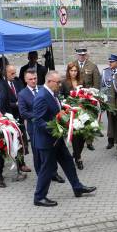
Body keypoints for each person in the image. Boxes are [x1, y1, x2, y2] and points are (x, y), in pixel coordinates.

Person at [32, 71, 96, 207]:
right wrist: (57, 128)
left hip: (57, 139)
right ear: (49, 82)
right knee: (47, 169)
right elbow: (38, 121)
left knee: (68, 162)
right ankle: (39, 197)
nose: (60, 85)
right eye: (58, 82)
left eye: (60, 82)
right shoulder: (41, 96)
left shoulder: (52, 93)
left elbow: (57, 111)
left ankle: (77, 187)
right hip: (47, 141)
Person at [18, 70, 65, 183]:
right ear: (25, 80)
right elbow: (23, 112)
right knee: (38, 153)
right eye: (30, 79)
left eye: (35, 78)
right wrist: (39, 115)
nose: (33, 81)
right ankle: (41, 176)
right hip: (35, 128)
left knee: (52, 150)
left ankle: (54, 173)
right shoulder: (22, 94)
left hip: (51, 126)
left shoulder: (44, 88)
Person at [71, 48, 100, 151]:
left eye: (83, 55)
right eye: (80, 55)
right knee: (78, 119)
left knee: (89, 119)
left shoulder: (92, 66)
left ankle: (89, 141)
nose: (81, 57)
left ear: (86, 55)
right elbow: (69, 79)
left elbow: (96, 84)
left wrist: (94, 97)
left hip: (88, 98)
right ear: (77, 55)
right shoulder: (72, 65)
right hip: (76, 97)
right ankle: (77, 139)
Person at [60, 62, 88, 170]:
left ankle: (76, 153)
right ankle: (78, 158)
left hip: (81, 112)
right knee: (76, 136)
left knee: (83, 135)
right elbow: (61, 97)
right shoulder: (64, 82)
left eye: (75, 71)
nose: (73, 73)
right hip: (70, 113)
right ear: (68, 71)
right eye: (71, 71)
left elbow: (86, 94)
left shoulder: (81, 81)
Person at [101, 54, 117, 149]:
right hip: (109, 102)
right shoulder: (105, 72)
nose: (110, 63)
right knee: (111, 122)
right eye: (109, 61)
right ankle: (111, 141)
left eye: (112, 62)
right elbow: (102, 87)